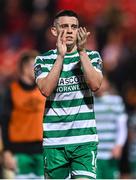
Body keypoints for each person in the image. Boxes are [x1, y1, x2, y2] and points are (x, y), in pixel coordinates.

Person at [34, 10, 103, 179]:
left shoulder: (92, 56)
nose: (70, 30)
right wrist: (60, 57)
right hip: (54, 142)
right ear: (54, 31)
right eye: (64, 26)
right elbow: (45, 90)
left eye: (74, 26)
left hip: (84, 141)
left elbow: (95, 84)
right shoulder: (43, 60)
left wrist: (82, 52)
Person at [0, 50, 45, 179]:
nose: (39, 70)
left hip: (42, 151)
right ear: (24, 68)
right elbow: (4, 123)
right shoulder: (10, 92)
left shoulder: (45, 90)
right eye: (35, 66)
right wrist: (6, 151)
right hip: (19, 152)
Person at [94, 76, 128, 179]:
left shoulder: (116, 101)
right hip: (94, 153)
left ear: (107, 83)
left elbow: (122, 126)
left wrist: (119, 145)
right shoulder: (89, 101)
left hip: (110, 152)